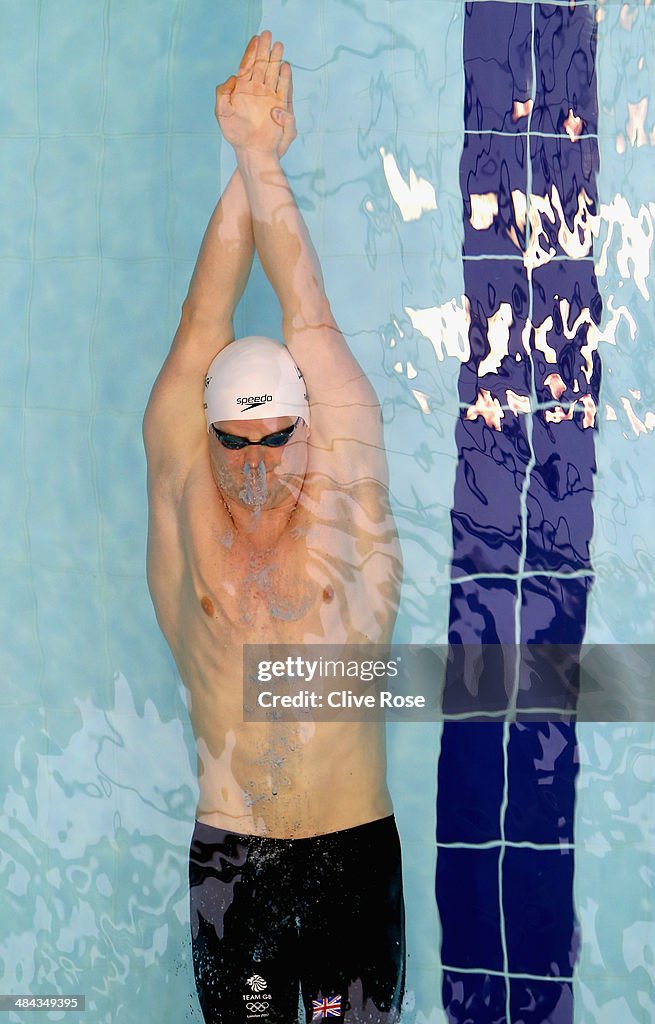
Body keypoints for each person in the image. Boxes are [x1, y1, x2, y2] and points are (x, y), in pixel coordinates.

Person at [143, 32, 404, 1024]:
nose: (255, 465)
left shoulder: (346, 480)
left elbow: (311, 314)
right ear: (201, 431)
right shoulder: (182, 485)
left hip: (347, 850)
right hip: (233, 863)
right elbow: (200, 319)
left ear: (310, 426)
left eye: (277, 436)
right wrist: (245, 156)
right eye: (233, 440)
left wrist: (261, 160)